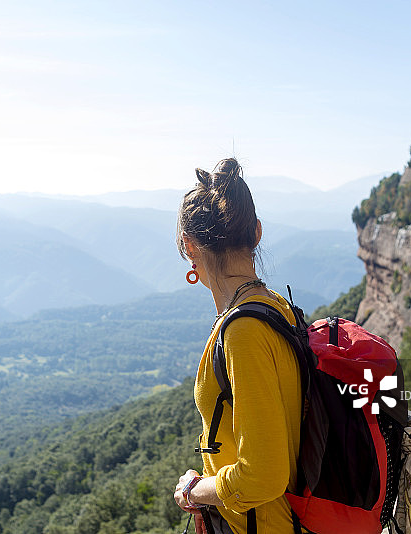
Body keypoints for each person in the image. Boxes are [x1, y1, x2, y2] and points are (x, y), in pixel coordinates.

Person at [172, 158, 303, 534]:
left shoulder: (244, 331)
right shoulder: (277, 308)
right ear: (257, 232)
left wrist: (195, 491)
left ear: (189, 245)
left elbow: (262, 476)